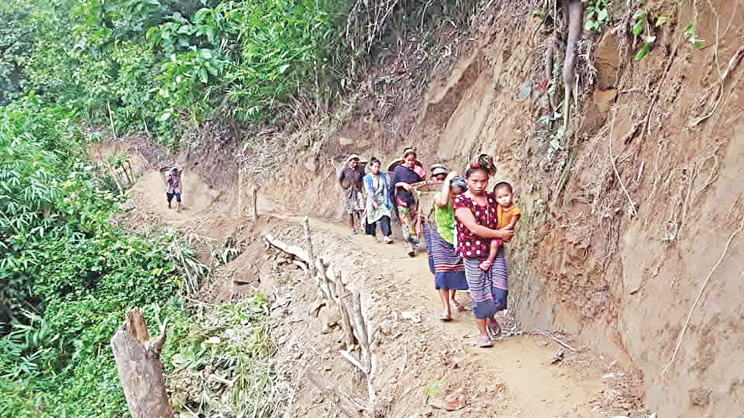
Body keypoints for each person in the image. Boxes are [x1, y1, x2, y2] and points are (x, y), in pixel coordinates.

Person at [453, 157, 515, 348]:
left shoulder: (492, 198)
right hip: (472, 254)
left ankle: (490, 317)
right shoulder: (461, 202)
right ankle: (483, 334)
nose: (479, 185)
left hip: (494, 251)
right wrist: (501, 234)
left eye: (483, 181)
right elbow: (474, 228)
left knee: (500, 293)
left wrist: (510, 225)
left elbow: (508, 212)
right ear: (466, 180)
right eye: (474, 181)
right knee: (479, 295)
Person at [423, 170, 469, 321]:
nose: (455, 197)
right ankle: (446, 309)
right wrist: (448, 180)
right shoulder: (439, 196)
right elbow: (443, 202)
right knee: (442, 272)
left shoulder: (463, 202)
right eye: (453, 194)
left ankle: (452, 298)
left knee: (455, 272)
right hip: (440, 237)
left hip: (457, 238)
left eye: (458, 195)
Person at [479, 181, 521, 271]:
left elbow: (511, 224)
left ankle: (489, 261)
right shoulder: (499, 206)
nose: (504, 199)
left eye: (506, 196)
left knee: (494, 243)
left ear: (512, 194)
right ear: (496, 199)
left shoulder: (515, 210)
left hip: (505, 232)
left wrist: (499, 232)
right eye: (500, 197)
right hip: (497, 231)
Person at [391, 148, 425, 257]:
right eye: (408, 160)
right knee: (405, 223)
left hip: (412, 200)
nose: (410, 162)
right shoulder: (398, 170)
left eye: (412, 160)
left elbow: (422, 183)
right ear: (404, 159)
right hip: (402, 199)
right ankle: (408, 245)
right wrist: (402, 184)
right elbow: (393, 184)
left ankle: (412, 242)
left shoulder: (416, 170)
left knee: (413, 221)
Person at [363, 157, 394, 243]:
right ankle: (374, 235)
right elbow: (368, 191)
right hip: (372, 199)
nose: (376, 168)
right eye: (375, 166)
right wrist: (373, 202)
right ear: (371, 167)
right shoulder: (367, 178)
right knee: (372, 218)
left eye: (378, 167)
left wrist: (387, 200)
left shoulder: (383, 176)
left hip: (381, 198)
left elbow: (386, 188)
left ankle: (386, 236)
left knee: (385, 215)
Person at [338, 154, 366, 235]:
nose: (355, 164)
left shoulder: (360, 169)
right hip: (349, 192)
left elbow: (363, 178)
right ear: (349, 162)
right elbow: (340, 179)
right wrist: (344, 187)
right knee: (350, 211)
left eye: (356, 162)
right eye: (353, 162)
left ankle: (363, 226)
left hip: (358, 191)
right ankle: (352, 228)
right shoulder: (345, 170)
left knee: (362, 208)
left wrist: (360, 186)